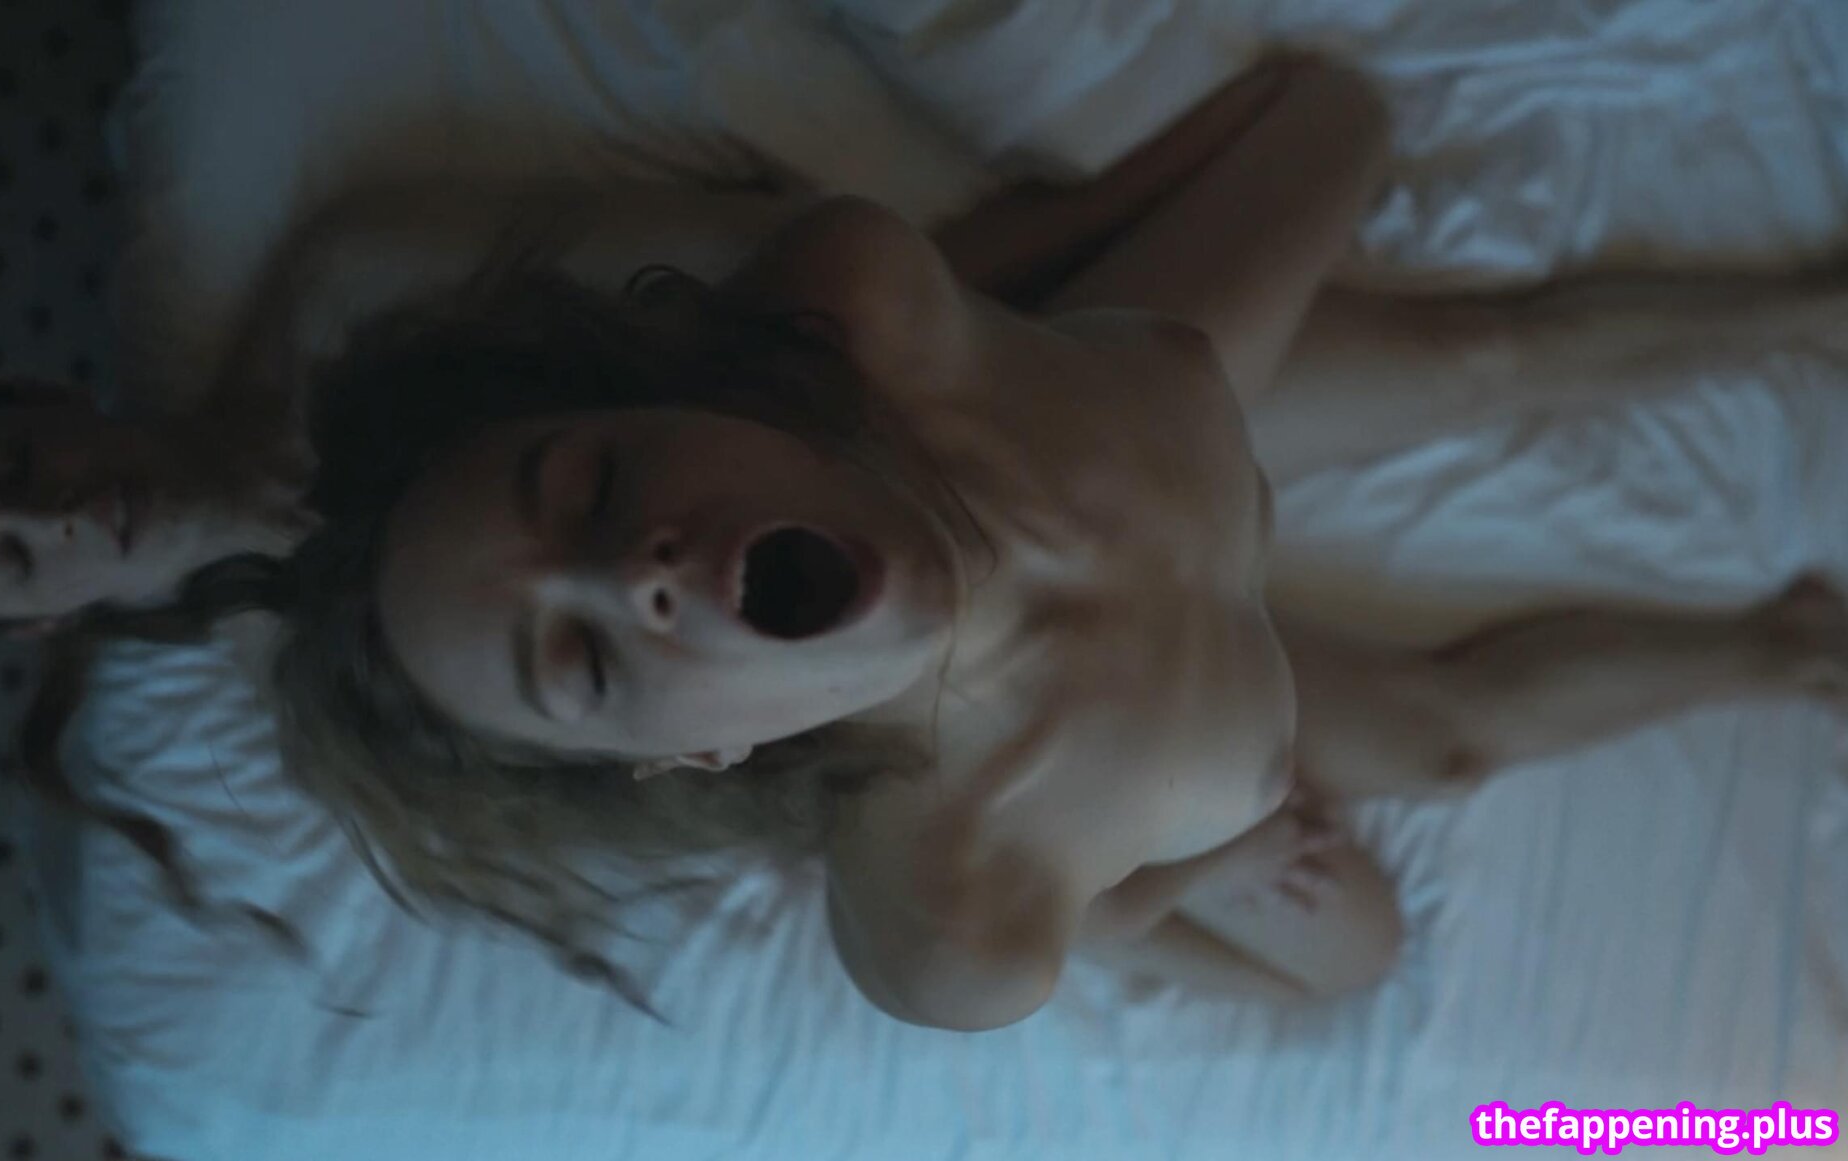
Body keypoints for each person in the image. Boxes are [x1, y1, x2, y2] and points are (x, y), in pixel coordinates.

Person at [208, 58, 1848, 1026]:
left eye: (585, 485)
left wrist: (1099, 210)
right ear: (695, 756)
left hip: (1145, 410)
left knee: (1377, 178)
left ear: (685, 396)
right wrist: (1201, 864)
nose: (629, 570)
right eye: (577, 657)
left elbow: (986, 252)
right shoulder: (957, 913)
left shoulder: (863, 294)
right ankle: (1792, 642)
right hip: (1171, 678)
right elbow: (1095, 926)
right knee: (1419, 811)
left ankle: (1813, 309)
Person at [0, 357, 309, 648]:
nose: (59, 519)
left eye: (18, 464)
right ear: (42, 621)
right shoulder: (305, 680)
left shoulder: (305, 329)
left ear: (48, 395)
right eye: (16, 559)